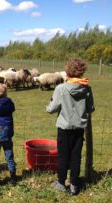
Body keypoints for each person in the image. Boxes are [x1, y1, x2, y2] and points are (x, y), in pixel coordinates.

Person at [46, 58, 95, 195]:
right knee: (76, 156)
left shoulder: (61, 88)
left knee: (63, 156)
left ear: (67, 71)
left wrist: (48, 106)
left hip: (64, 128)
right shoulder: (87, 88)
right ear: (81, 71)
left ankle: (61, 183)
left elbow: (52, 108)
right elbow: (90, 108)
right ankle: (74, 184)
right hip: (79, 129)